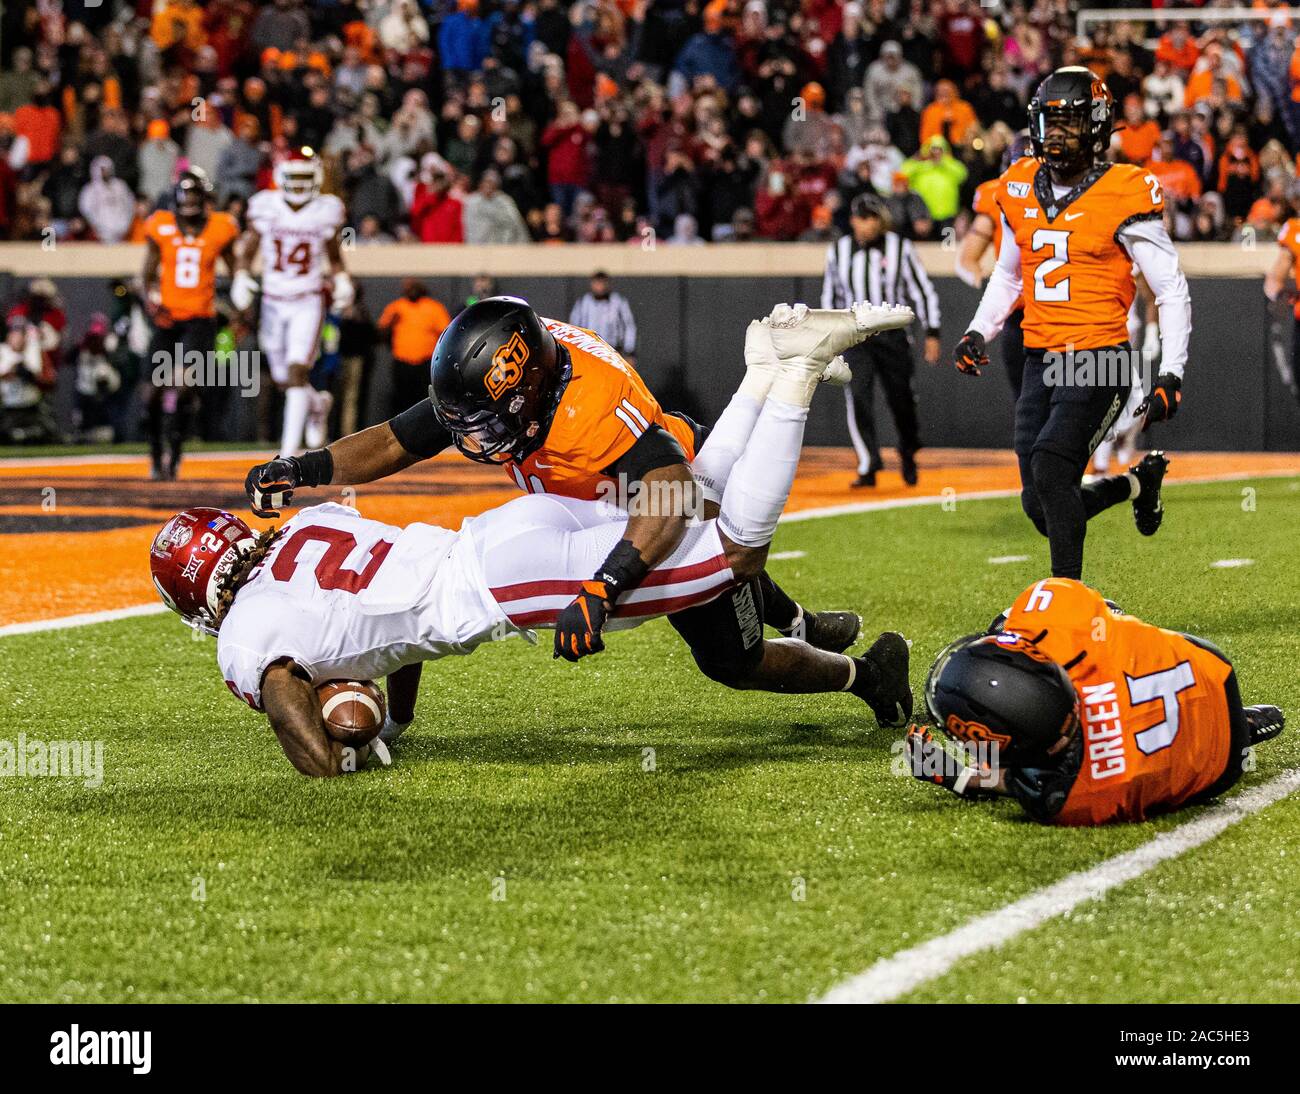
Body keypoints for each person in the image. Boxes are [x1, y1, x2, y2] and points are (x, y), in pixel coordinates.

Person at [157, 305, 916, 777]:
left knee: (733, 594)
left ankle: (791, 371)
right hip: (556, 526)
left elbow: (673, 494)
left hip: (649, 499)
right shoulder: (504, 374)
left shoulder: (586, 410)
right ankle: (827, 633)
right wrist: (308, 465)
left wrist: (606, 585)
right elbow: (397, 439)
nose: (472, 441)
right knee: (731, 596)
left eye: (485, 424)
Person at [954, 67, 1191, 581]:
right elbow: (1009, 273)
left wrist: (1170, 372)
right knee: (1039, 504)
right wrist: (979, 329)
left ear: (1099, 127)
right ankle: (1134, 485)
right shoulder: (1016, 184)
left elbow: (1171, 287)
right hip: (1041, 356)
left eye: (1070, 123)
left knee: (1051, 468)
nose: (1057, 134)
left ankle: (1068, 605)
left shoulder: (1125, 189)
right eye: (1050, 123)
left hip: (1098, 357)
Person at [905, 577, 1286, 826]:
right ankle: (1233, 721)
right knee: (1100, 619)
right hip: (1212, 667)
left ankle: (1238, 727)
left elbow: (1007, 778)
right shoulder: (1065, 627)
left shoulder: (1065, 798)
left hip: (1220, 772)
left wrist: (951, 773)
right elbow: (1095, 605)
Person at [232, 147, 354, 459]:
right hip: (273, 301)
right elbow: (248, 247)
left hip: (307, 299)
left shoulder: (325, 210)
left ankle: (287, 453)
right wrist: (241, 274)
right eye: (294, 178)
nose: (299, 185)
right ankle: (318, 405)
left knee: (298, 371)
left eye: (304, 178)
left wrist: (341, 279)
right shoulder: (266, 207)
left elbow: (334, 254)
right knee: (283, 378)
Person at [821, 193, 940, 487]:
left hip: (892, 334)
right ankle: (869, 462)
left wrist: (932, 331)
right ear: (852, 220)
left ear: (880, 220)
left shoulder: (901, 248)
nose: (866, 225)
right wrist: (829, 338)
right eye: (861, 218)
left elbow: (922, 290)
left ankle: (908, 450)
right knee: (858, 396)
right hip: (856, 336)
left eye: (871, 218)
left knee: (902, 401)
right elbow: (830, 297)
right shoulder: (839, 250)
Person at [142, 167, 240, 480]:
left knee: (183, 388)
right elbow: (147, 274)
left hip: (200, 319)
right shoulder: (160, 226)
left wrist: (240, 299)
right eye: (186, 195)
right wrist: (151, 298)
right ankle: (157, 453)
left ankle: (176, 454)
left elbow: (237, 271)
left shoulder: (220, 228)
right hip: (168, 318)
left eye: (195, 195)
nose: (190, 202)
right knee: (152, 391)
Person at [955, 131, 1034, 398]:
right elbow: (967, 258)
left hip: (1063, 309)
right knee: (1025, 399)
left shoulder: (1067, 195)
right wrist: (984, 287)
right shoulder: (996, 197)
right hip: (1018, 309)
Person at [376, 280, 452, 416]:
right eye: (408, 288)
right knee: (401, 402)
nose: (411, 291)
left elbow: (447, 334)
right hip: (402, 364)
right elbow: (380, 334)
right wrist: (391, 323)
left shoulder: (433, 308)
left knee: (424, 402)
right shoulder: (396, 307)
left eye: (414, 288)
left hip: (425, 364)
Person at [568, 270, 637, 363]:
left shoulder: (618, 302)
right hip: (589, 349)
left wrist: (629, 351)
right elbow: (573, 326)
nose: (599, 287)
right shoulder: (583, 302)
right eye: (596, 283)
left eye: (602, 283)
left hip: (613, 350)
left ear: (607, 284)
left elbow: (629, 326)